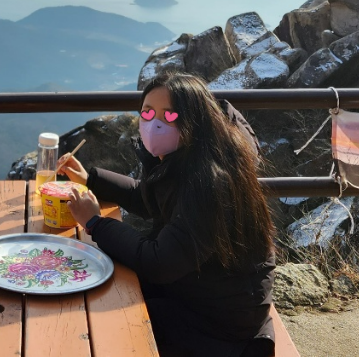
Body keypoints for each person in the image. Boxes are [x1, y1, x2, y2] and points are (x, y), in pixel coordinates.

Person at [59, 72, 277, 357]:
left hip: (223, 325)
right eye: (147, 113)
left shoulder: (209, 181)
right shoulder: (190, 157)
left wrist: (95, 223)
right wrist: (91, 180)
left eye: (169, 115)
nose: (154, 123)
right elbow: (150, 198)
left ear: (194, 121)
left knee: (109, 317)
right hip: (201, 291)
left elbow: (160, 263)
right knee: (107, 286)